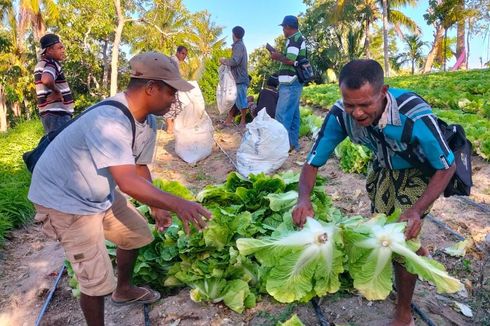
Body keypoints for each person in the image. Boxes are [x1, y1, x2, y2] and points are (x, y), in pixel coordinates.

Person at [28, 52, 212, 326]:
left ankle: (124, 290)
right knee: (96, 279)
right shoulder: (111, 121)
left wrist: (157, 205)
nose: (174, 99)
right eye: (171, 92)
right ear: (151, 88)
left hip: (96, 193)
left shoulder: (147, 121)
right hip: (65, 201)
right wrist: (179, 203)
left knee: (136, 234)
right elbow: (127, 182)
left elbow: (139, 169)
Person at [292, 59, 456, 326]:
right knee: (383, 230)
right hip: (381, 168)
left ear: (383, 92)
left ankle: (404, 313)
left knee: (400, 240)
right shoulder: (339, 115)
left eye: (365, 105)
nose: (356, 113)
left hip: (418, 171)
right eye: (350, 104)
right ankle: (415, 250)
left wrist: (417, 209)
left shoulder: (413, 114)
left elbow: (447, 166)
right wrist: (303, 198)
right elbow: (312, 161)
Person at [269, 15, 306, 152]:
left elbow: (290, 60)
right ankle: (292, 144)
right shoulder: (295, 39)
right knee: (293, 114)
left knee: (282, 114)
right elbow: (291, 58)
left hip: (290, 83)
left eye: (284, 28)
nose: (283, 31)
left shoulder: (294, 39)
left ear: (288, 27)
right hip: (292, 83)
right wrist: (279, 55)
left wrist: (276, 56)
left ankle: (282, 147)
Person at [34, 33, 74, 134]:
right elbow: (46, 79)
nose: (63, 50)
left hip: (48, 114)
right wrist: (57, 91)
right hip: (57, 114)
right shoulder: (51, 63)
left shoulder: (41, 64)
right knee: (65, 146)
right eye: (59, 48)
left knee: (54, 145)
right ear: (49, 50)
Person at [220, 26, 249, 127]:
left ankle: (243, 122)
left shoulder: (238, 46)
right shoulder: (240, 45)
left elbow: (235, 61)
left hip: (240, 78)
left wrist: (224, 61)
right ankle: (228, 120)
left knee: (242, 100)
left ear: (233, 34)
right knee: (233, 100)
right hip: (237, 78)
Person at [165, 45, 188, 134]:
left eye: (185, 54)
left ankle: (172, 127)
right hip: (170, 87)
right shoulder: (173, 60)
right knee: (170, 106)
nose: (184, 56)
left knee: (176, 106)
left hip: (174, 87)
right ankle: (170, 127)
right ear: (177, 52)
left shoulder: (176, 61)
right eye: (182, 53)